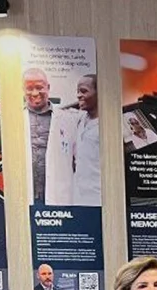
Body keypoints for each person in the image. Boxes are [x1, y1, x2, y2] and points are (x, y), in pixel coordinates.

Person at [46, 74, 101, 207]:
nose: (78, 95)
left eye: (84, 91)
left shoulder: (108, 125)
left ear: (99, 93)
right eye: (78, 91)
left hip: (98, 197)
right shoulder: (80, 119)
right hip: (78, 197)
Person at [23, 67, 53, 204]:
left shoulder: (66, 118)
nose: (35, 93)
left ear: (48, 87)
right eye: (29, 88)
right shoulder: (14, 117)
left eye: (39, 87)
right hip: (24, 189)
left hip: (54, 189)